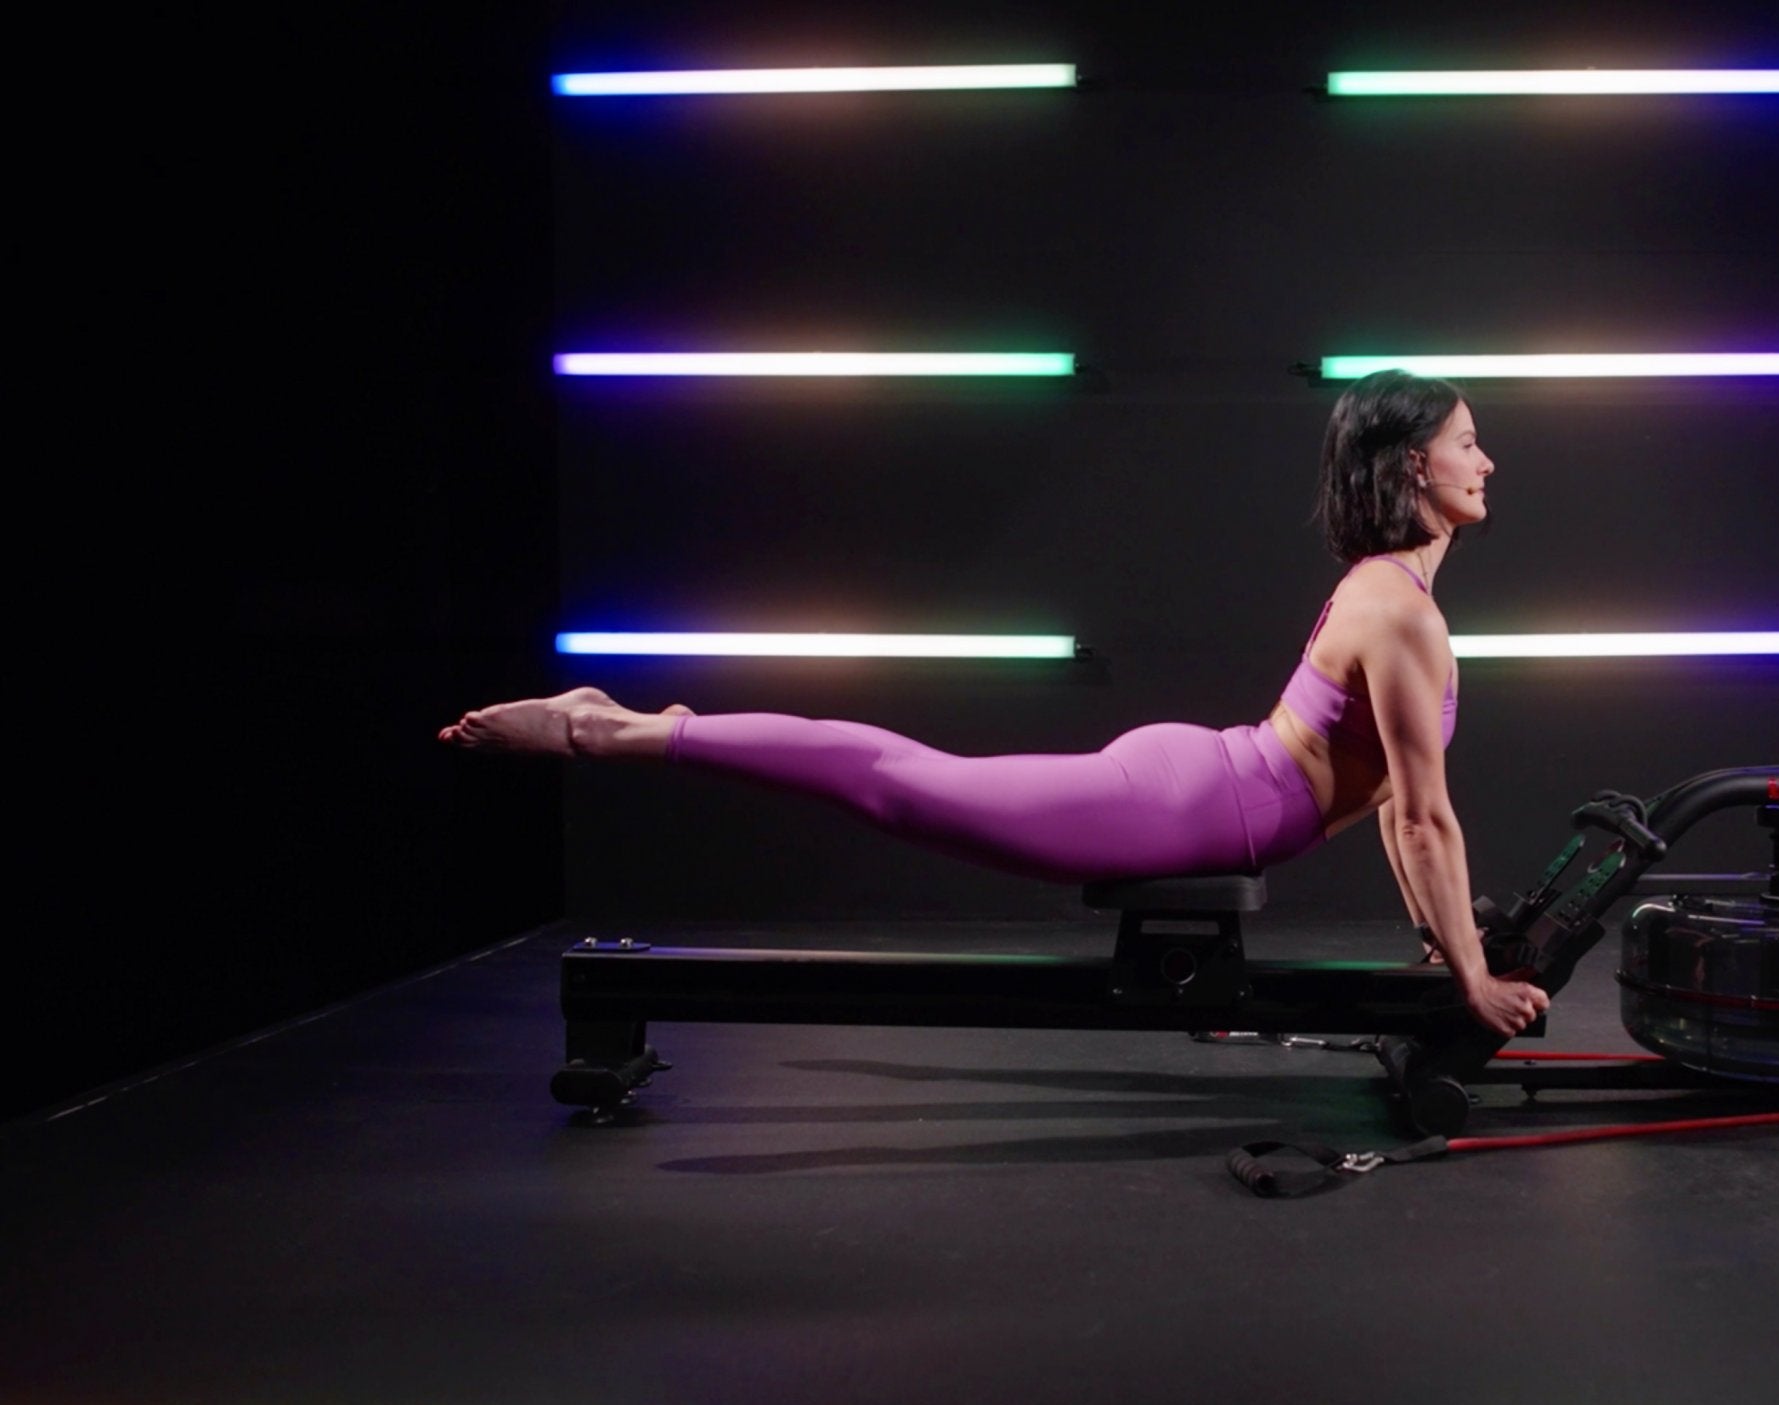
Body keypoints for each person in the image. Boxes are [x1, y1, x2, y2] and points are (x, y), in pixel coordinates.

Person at [440, 370, 1549, 1037]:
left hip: (1205, 782)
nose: (1486, 459)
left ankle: (635, 725)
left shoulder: (1394, 595)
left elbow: (1406, 811)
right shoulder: (1400, 612)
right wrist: (1468, 976)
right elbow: (1418, 816)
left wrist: (1436, 946)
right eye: (1465, 440)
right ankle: (619, 726)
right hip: (1186, 805)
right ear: (1413, 466)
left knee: (905, 780)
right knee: (902, 785)